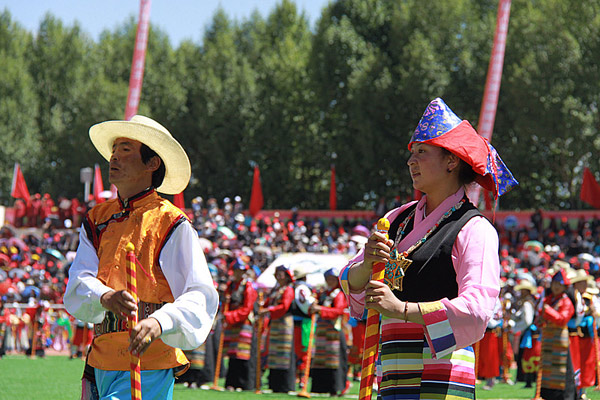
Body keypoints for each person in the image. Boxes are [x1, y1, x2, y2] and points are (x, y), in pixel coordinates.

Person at [339, 98, 518, 400]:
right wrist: (368, 263)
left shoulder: (475, 228)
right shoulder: (395, 220)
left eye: (422, 152)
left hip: (442, 372)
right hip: (392, 371)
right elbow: (350, 280)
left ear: (452, 161)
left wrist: (401, 310)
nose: (411, 161)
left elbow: (477, 309)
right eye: (411, 153)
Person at [63, 115, 219, 400]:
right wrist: (105, 296)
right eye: (114, 150)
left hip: (149, 358)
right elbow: (79, 278)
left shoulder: (171, 222)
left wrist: (160, 321)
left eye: (125, 150)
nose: (114, 157)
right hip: (100, 358)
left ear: (152, 163)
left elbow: (199, 292)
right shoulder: (97, 219)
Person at [537, 268, 577, 400]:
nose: (556, 287)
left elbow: (562, 319)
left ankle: (566, 396)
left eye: (559, 285)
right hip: (548, 338)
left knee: (562, 369)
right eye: (554, 284)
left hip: (560, 339)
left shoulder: (566, 301)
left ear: (564, 287)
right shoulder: (548, 299)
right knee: (547, 368)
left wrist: (547, 311)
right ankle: (547, 394)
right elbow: (540, 318)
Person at [309, 267, 348, 396]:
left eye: (332, 279)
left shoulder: (339, 294)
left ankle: (335, 387)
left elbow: (338, 311)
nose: (330, 281)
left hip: (334, 332)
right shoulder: (323, 293)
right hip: (322, 331)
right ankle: (321, 387)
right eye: (328, 279)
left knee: (334, 359)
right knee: (321, 359)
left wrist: (320, 309)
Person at [258, 264, 296, 393]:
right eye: (277, 273)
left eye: (281, 274)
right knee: (274, 354)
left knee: (283, 353)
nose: (279, 276)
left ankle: (284, 385)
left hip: (284, 323)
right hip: (275, 323)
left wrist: (269, 309)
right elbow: (268, 302)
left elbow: (284, 306)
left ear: (286, 276)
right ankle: (274, 384)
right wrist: (263, 304)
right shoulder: (276, 289)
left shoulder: (288, 289)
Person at [222, 257, 258, 391]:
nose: (239, 273)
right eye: (237, 271)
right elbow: (226, 304)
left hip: (244, 323)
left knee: (242, 353)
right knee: (232, 353)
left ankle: (243, 383)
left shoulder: (248, 287)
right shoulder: (230, 286)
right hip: (232, 324)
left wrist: (230, 316)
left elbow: (247, 308)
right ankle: (231, 382)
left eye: (241, 271)